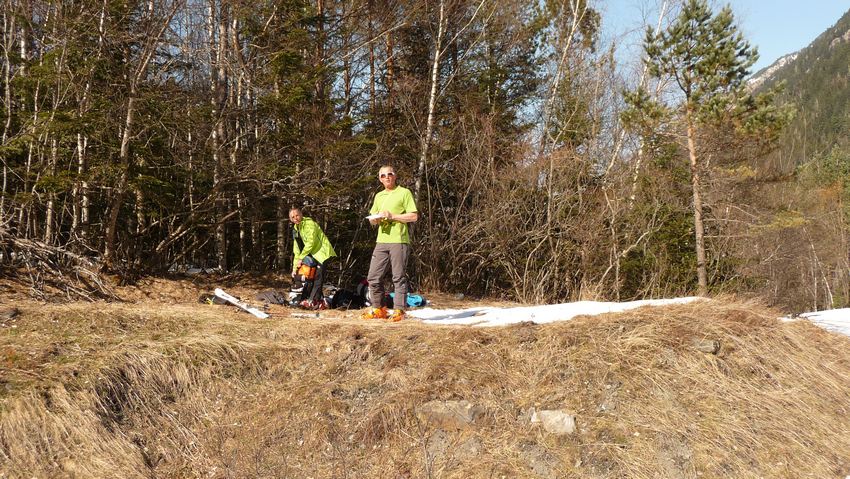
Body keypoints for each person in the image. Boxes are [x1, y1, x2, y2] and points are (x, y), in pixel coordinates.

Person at [361, 165, 418, 322]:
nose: (387, 177)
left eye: (390, 174)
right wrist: (375, 219)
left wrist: (392, 216)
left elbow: (413, 217)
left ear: (395, 176)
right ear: (380, 179)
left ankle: (399, 310)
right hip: (381, 241)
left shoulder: (404, 193)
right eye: (383, 175)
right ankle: (378, 309)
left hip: (398, 240)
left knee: (398, 277)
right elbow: (373, 219)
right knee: (373, 277)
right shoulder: (379, 196)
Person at [289, 207, 337, 309]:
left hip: (322, 253)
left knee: (318, 277)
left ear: (301, 214)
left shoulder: (309, 224)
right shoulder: (296, 229)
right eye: (293, 217)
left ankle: (313, 301)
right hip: (312, 254)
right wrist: (294, 268)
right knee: (309, 277)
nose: (295, 218)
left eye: (297, 215)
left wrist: (302, 258)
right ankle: (306, 299)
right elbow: (296, 249)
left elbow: (310, 243)